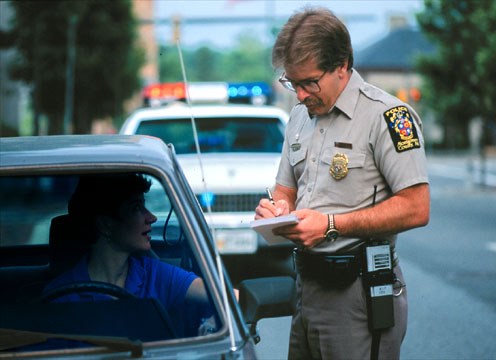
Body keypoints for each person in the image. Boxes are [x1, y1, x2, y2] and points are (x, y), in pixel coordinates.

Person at [254, 7, 430, 360]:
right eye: (292, 82)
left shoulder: (389, 117)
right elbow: (287, 187)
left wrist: (331, 226)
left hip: (358, 294)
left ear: (342, 66)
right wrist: (278, 208)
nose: (300, 94)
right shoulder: (300, 117)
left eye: (308, 82)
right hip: (306, 289)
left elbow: (417, 206)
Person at [44, 173, 216, 336]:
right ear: (105, 225)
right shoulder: (60, 296)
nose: (152, 217)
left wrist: (218, 319)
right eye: (136, 208)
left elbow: (233, 298)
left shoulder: (155, 274)